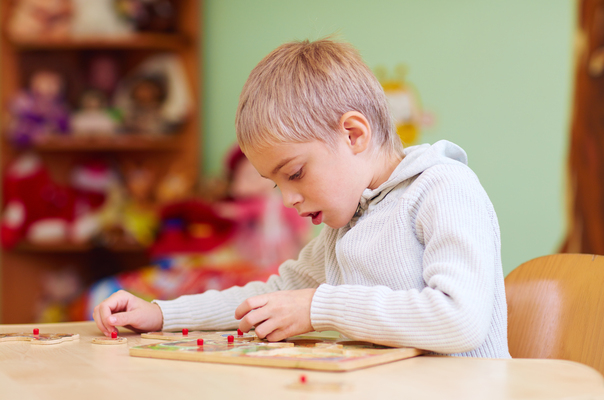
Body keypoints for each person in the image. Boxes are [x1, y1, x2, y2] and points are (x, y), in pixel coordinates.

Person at [94, 38, 510, 358]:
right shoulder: (348, 223)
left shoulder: (445, 188)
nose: (288, 198)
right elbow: (270, 296)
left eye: (295, 173)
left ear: (353, 135)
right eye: (276, 183)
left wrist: (319, 306)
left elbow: (460, 320)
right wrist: (163, 314)